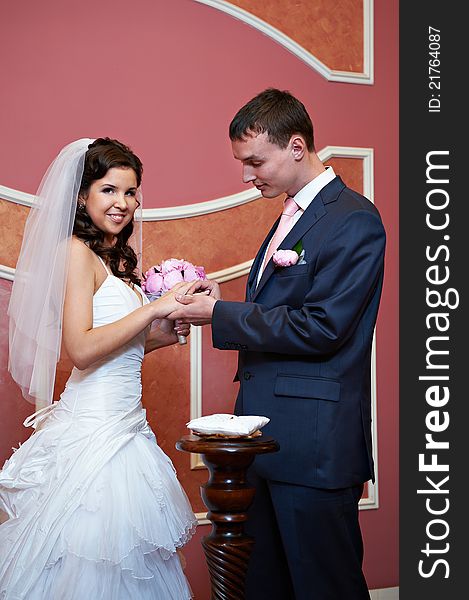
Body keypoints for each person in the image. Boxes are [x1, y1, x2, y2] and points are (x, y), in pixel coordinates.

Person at [170, 88, 386, 599]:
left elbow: (322, 327)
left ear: (295, 146)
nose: (247, 175)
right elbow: (284, 307)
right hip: (265, 442)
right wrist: (223, 300)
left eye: (255, 161)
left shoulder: (354, 218)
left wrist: (221, 315)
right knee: (268, 585)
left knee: (324, 586)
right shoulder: (293, 214)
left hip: (314, 444)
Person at [0, 138, 197, 599]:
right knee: (86, 553)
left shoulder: (115, 257)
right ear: (82, 195)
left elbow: (119, 344)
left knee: (129, 560)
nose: (122, 204)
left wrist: (165, 332)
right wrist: (151, 311)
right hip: (92, 429)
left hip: (127, 424)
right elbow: (82, 349)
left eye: (131, 193)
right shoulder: (75, 251)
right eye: (109, 190)